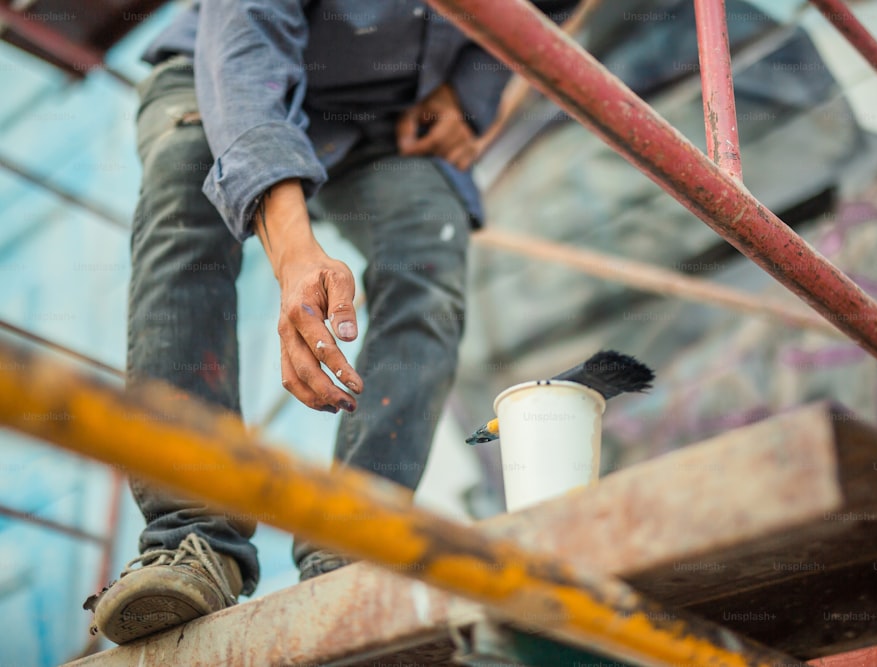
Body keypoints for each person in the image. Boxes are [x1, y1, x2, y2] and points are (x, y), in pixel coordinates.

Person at [84, 0, 577, 645]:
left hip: (386, 116)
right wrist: (292, 252)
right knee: (184, 196)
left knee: (429, 245)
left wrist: (471, 86)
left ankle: (353, 536)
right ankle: (192, 539)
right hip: (225, 79)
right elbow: (244, 48)